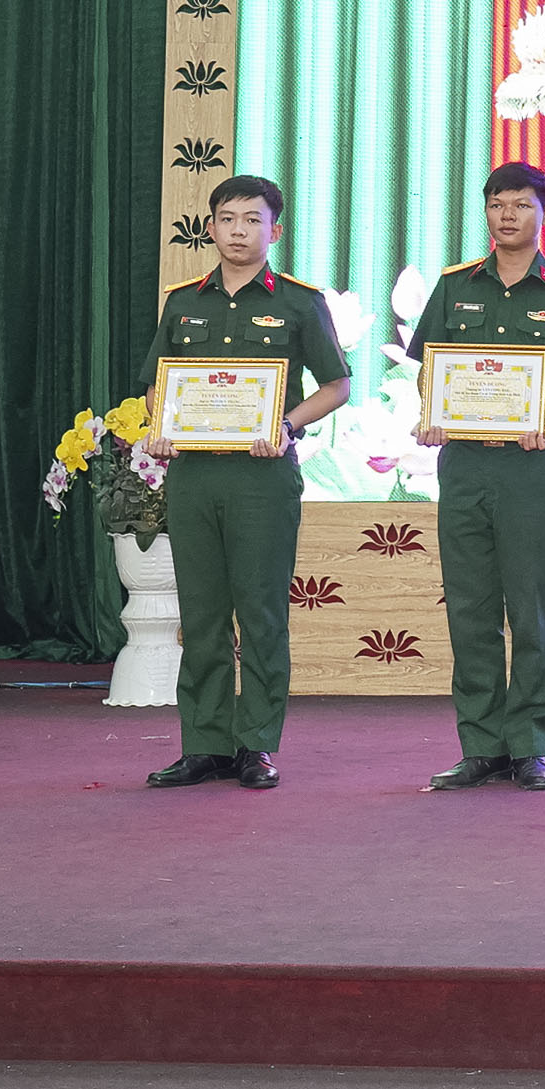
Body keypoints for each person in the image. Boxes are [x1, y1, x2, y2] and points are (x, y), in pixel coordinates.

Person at [140, 176, 351, 791]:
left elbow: (337, 385)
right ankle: (204, 744)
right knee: (202, 615)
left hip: (263, 476)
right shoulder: (182, 302)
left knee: (261, 614)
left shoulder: (300, 302)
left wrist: (287, 424)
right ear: (211, 227)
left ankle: (256, 744)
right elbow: (157, 382)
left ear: (274, 230)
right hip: (194, 477)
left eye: (252, 220)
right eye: (228, 219)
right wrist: (161, 425)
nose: (239, 230)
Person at [407, 163, 545, 793]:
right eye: (497, 204)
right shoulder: (454, 286)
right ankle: (480, 747)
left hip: (532, 468)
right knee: (469, 611)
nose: (507, 216)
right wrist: (432, 411)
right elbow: (431, 367)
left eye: (521, 205)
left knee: (530, 613)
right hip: (465, 467)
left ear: (544, 213)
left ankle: (528, 746)